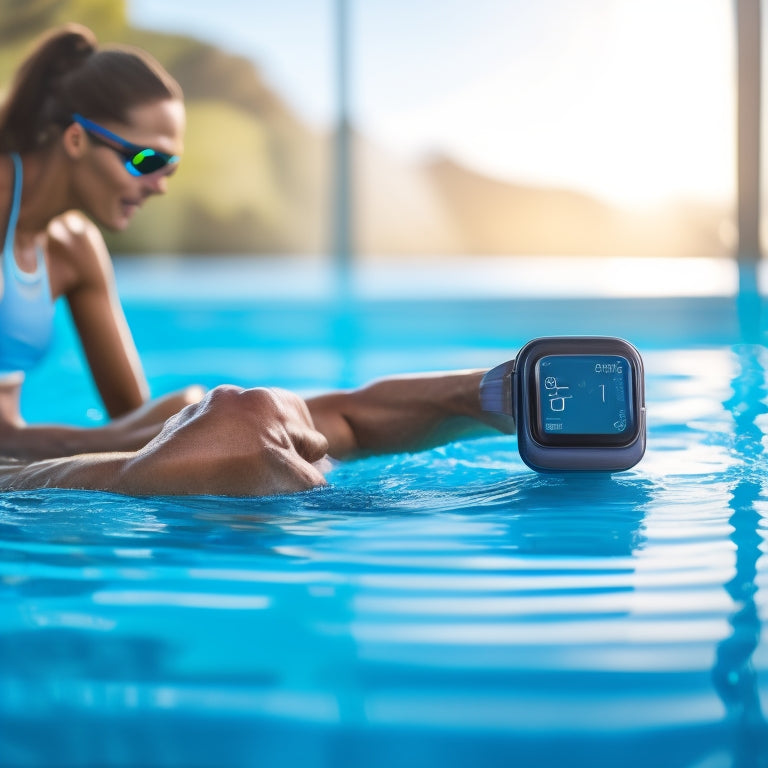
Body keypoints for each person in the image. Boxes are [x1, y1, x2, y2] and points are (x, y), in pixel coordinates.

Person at [0, 24, 507, 497]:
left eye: (171, 167)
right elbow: (128, 433)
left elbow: (135, 423)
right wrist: (192, 426)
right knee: (235, 427)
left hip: (27, 456)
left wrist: (190, 420)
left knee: (267, 415)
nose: (160, 185)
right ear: (75, 139)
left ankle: (499, 392)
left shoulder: (75, 246)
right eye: (148, 160)